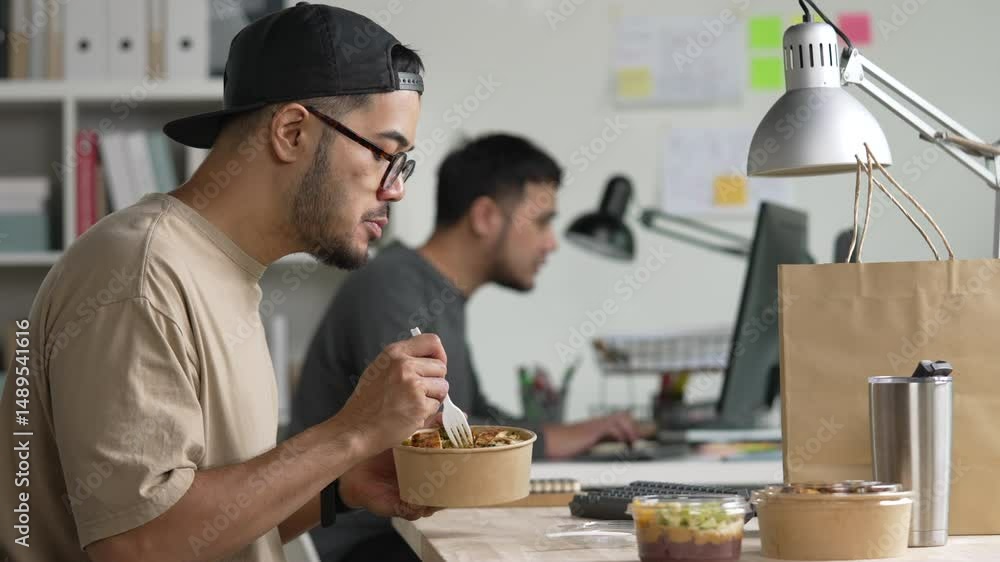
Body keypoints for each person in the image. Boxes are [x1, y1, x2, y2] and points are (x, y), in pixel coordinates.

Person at [0, 5, 447, 562]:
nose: (395, 189)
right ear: (292, 132)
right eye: (386, 154)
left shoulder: (222, 269)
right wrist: (350, 433)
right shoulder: (140, 271)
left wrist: (340, 486)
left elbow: (207, 529)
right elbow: (137, 545)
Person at [289, 133, 642, 562]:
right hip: (367, 543)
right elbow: (431, 430)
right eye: (543, 221)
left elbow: (473, 413)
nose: (551, 243)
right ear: (486, 216)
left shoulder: (436, 295)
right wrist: (561, 438)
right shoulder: (392, 289)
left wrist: (573, 434)